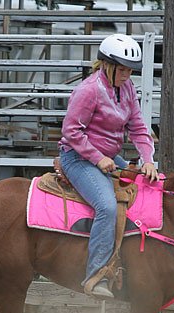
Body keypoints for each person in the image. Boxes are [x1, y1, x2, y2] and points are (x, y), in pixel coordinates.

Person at [59, 33, 159, 299]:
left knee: (149, 186)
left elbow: (138, 128)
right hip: (78, 157)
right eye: (123, 69)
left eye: (130, 70)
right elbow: (71, 131)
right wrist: (97, 157)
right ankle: (96, 275)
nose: (127, 75)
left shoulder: (126, 89)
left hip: (108, 156)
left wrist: (148, 160)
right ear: (107, 65)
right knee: (106, 206)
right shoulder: (88, 90)